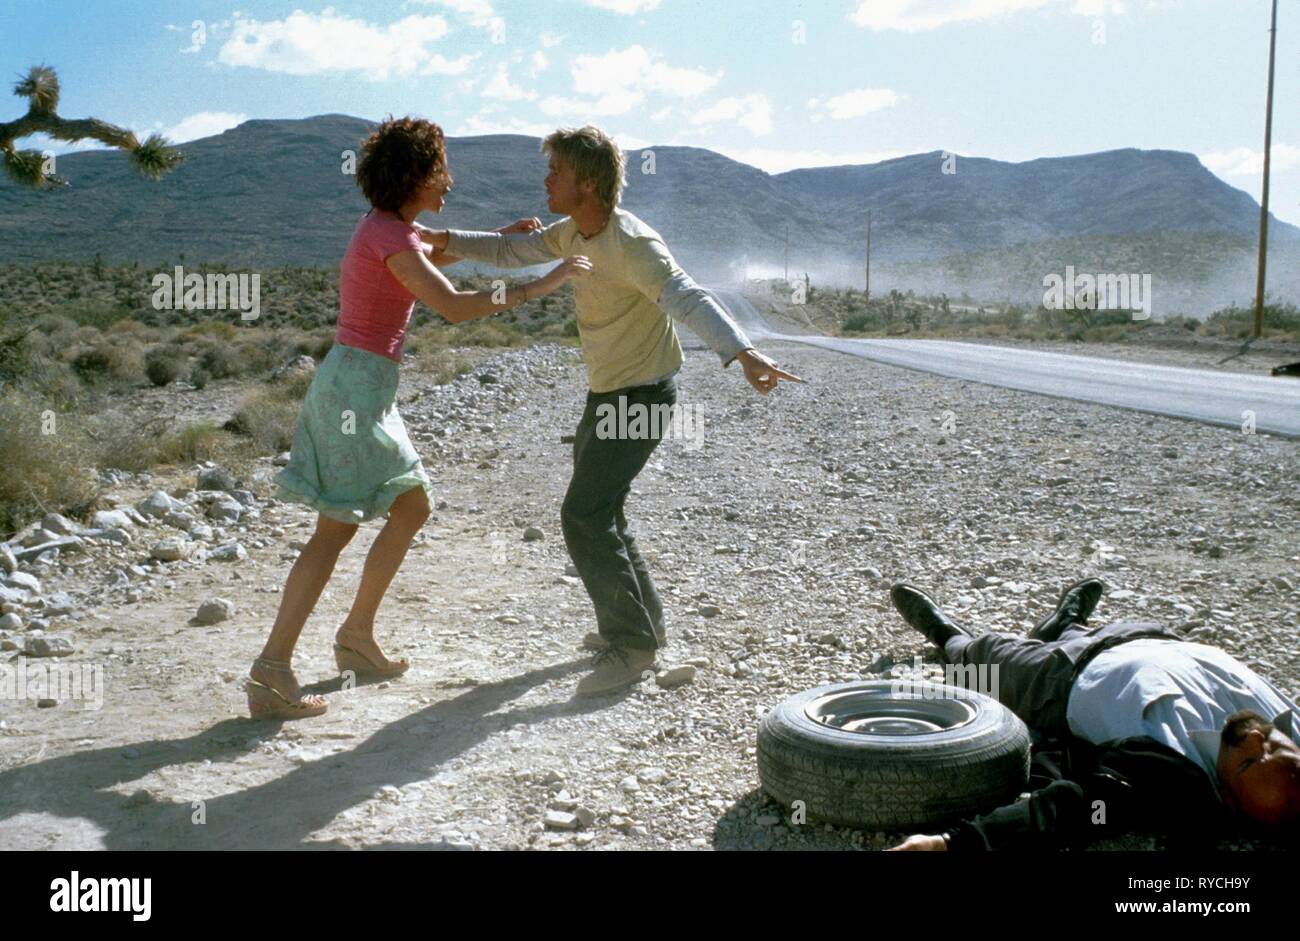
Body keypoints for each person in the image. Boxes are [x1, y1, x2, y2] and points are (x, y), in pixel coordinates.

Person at [419, 125, 802, 696]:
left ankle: (632, 648)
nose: (546, 180)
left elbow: (688, 296)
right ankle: (641, 629)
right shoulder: (574, 232)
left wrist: (741, 352)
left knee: (584, 515)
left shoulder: (633, 243)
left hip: (642, 398)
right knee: (606, 512)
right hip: (607, 395)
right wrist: (442, 238)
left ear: (589, 183)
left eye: (557, 173)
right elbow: (509, 251)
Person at [247, 116, 592, 720]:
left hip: (362, 387)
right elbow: (454, 308)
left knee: (409, 505)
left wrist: (501, 237)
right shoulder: (394, 235)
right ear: (414, 176)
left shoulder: (386, 230)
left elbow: (430, 259)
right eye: (440, 170)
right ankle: (273, 669)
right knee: (335, 529)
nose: (449, 182)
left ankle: (355, 638)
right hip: (355, 392)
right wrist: (545, 283)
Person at [883, 578, 1300, 850]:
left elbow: (1070, 809)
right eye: (1274, 746)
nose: (1253, 737)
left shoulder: (1170, 774)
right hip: (1144, 634)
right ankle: (1067, 622)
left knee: (981, 663)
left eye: (1248, 762)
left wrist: (950, 844)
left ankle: (947, 634)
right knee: (1071, 633)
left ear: (1226, 797)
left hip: (1060, 678)